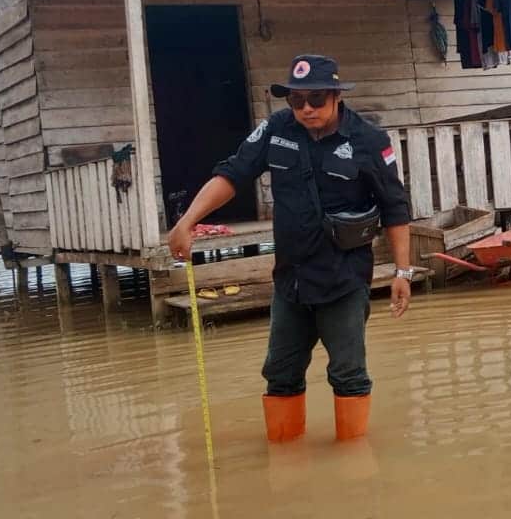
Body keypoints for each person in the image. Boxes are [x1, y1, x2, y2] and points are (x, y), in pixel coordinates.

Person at [169, 54, 414, 443]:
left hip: (343, 280)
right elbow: (232, 174)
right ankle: (284, 462)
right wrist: (187, 222)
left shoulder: (369, 141)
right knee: (280, 374)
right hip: (291, 281)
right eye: (296, 100)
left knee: (348, 374)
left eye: (316, 98)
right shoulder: (276, 130)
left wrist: (403, 273)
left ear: (336, 95)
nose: (306, 109)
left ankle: (353, 467)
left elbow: (395, 208)